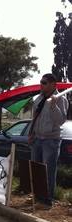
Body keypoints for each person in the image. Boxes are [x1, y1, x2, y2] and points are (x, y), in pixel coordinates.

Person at [28, 73, 69, 206]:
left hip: (51, 140)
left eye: (44, 83)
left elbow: (60, 120)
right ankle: (38, 196)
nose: (41, 85)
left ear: (53, 84)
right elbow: (34, 118)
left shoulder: (61, 99)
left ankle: (48, 199)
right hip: (37, 139)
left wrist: (54, 106)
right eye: (41, 82)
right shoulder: (38, 99)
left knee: (48, 170)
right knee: (36, 169)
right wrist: (31, 133)